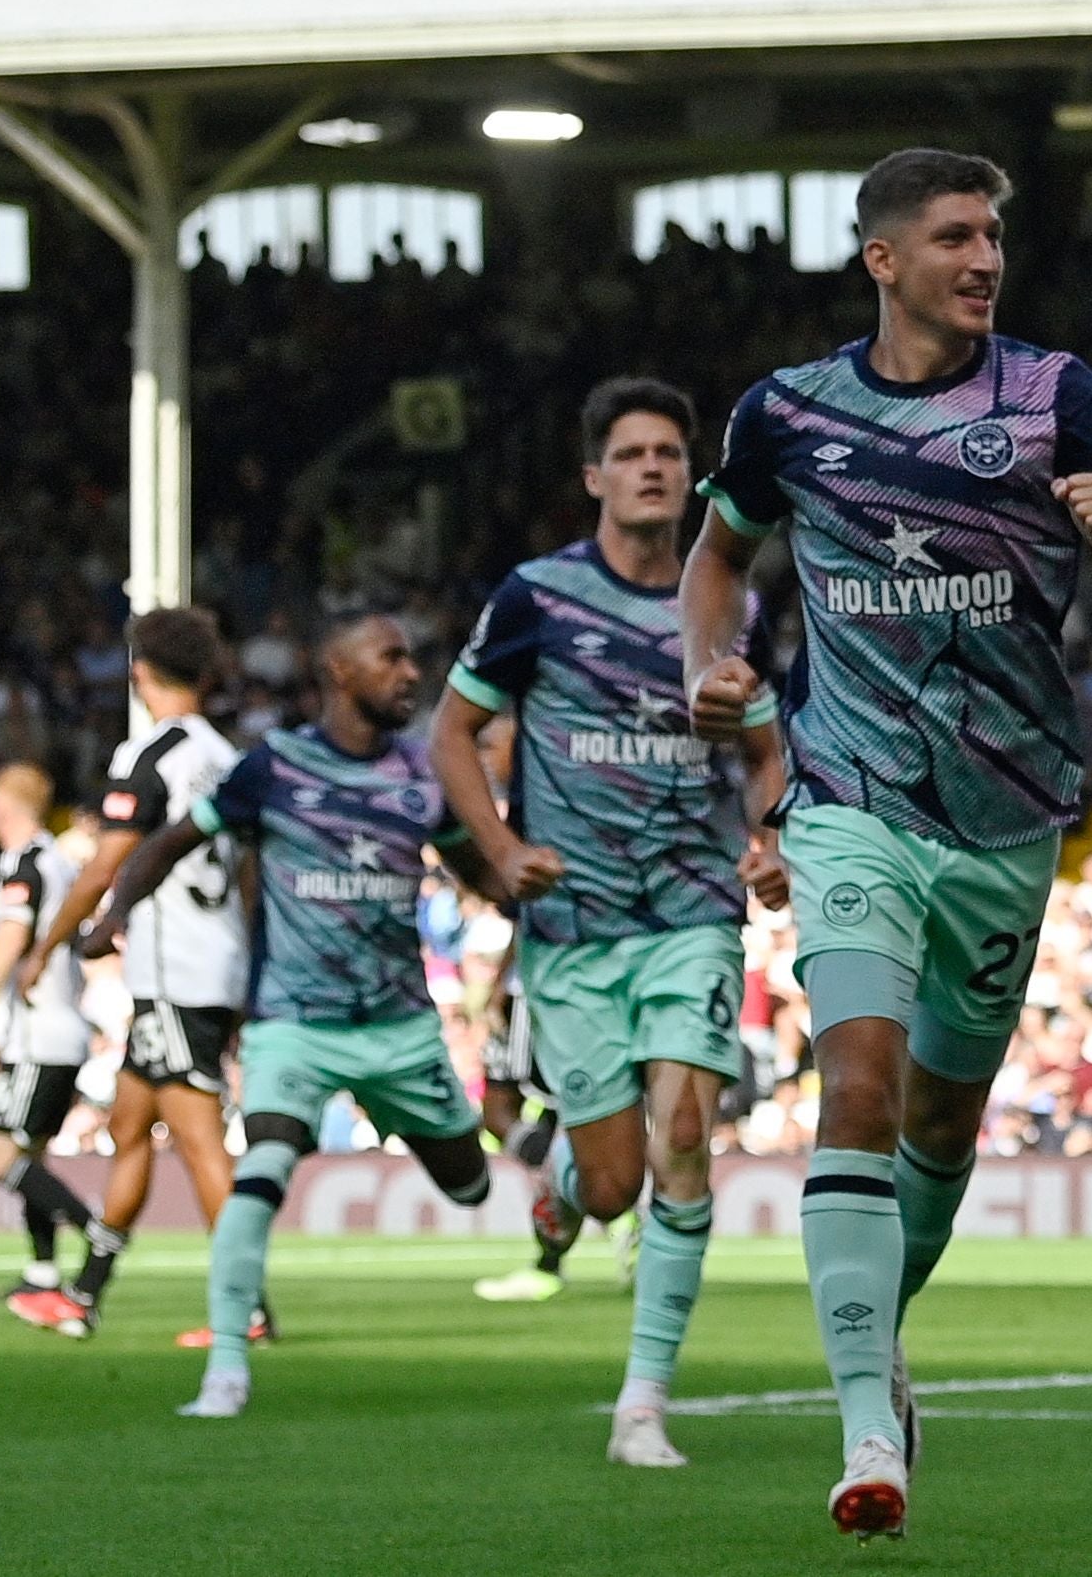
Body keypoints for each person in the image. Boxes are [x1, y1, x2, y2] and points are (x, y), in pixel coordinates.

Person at [680, 148, 1092, 1541]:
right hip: (848, 794)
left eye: (991, 236)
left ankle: (881, 1359)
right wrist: (708, 668)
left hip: (1008, 814)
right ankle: (868, 1429)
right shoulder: (787, 412)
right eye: (954, 236)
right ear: (882, 260)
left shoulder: (1058, 399)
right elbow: (715, 559)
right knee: (853, 1087)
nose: (982, 259)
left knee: (937, 1122)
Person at [430, 375, 792, 1467]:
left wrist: (770, 838)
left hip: (688, 908)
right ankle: (562, 1189)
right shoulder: (538, 596)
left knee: (686, 1140)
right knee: (612, 1178)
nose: (653, 466)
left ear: (691, 476)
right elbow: (452, 733)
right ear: (594, 475)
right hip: (574, 927)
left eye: (671, 453)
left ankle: (642, 1403)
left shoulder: (731, 608)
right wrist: (498, 852)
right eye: (630, 452)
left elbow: (770, 746)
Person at [79, 608, 502, 1421]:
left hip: (399, 1029)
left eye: (411, 658)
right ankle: (227, 1369)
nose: (411, 672)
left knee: (471, 1186)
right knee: (260, 1169)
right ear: (339, 673)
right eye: (391, 658)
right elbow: (166, 841)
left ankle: (512, 1159)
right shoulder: (272, 768)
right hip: (294, 1026)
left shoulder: (420, 776)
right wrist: (114, 913)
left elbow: (482, 870)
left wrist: (538, 894)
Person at [17, 604, 253, 1344]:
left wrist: (49, 943)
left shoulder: (150, 755)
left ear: (137, 672)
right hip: (211, 960)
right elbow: (249, 867)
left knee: (198, 1139)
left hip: (175, 967)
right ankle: (86, 1295)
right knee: (130, 1122)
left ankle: (244, 1306)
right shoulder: (228, 756)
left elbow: (105, 865)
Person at [0, 761, 98, 1327]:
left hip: (40, 1032)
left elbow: (12, 937)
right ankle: (43, 1275)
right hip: (58, 1028)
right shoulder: (56, 859)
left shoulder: (26, 863)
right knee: (28, 1156)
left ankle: (98, 1235)